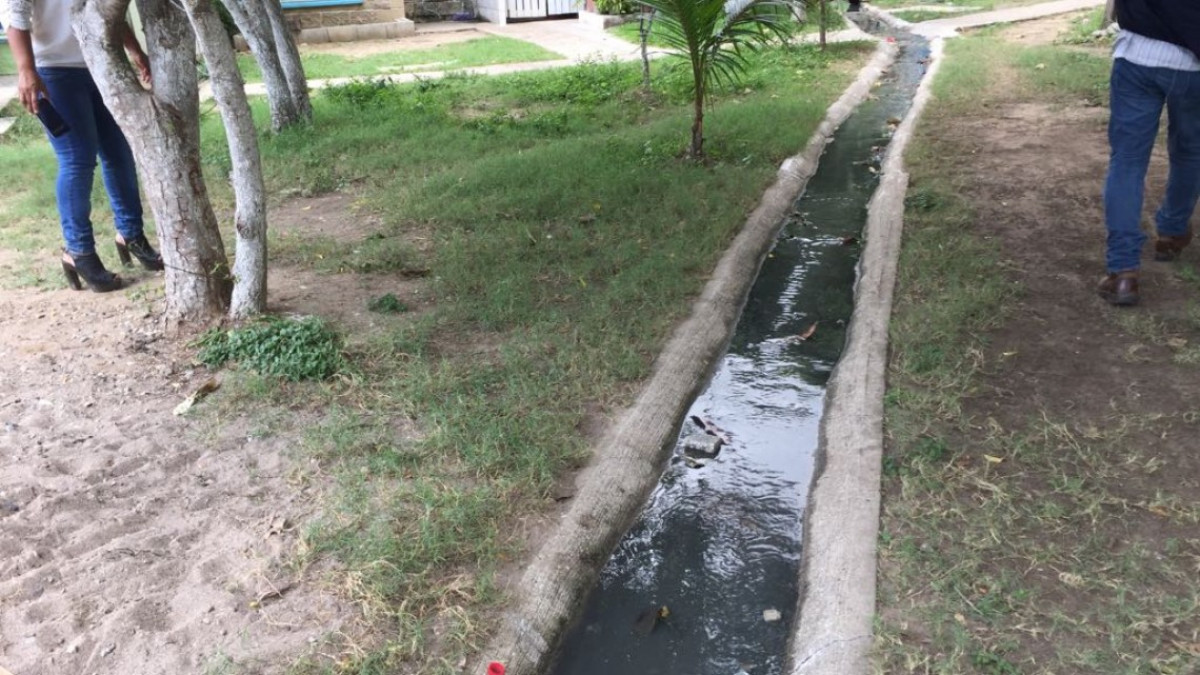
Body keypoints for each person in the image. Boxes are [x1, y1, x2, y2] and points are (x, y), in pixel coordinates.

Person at [4, 0, 162, 293]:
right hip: (53, 71)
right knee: (77, 159)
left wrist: (135, 50)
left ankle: (131, 235)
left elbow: (106, 8)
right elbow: (16, 17)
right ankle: (79, 251)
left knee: (120, 154)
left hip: (100, 64)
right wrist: (26, 70)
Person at [1098, 1, 1200, 306]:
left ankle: (1123, 272)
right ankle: (1171, 233)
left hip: (1138, 56)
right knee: (1190, 153)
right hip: (1195, 66)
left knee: (1127, 161)